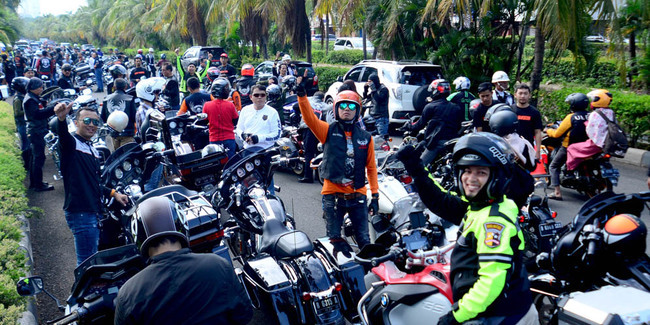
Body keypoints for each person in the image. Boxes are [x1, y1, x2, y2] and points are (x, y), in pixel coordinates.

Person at [396, 132, 537, 325]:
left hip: (499, 317)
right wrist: (416, 167)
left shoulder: (493, 222)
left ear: (496, 177)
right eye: (467, 170)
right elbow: (441, 200)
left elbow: (491, 281)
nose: (471, 178)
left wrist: (456, 317)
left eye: (481, 172)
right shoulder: (482, 206)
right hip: (497, 312)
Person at [114, 196, 252, 325]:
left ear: (137, 236)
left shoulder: (128, 293)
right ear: (181, 224)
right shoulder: (218, 265)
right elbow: (244, 315)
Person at [296, 84, 379, 248]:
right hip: (333, 196)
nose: (346, 109)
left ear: (357, 111)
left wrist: (375, 195)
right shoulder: (327, 131)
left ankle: (366, 271)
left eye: (351, 106)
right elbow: (309, 119)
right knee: (333, 240)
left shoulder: (366, 137)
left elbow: (371, 168)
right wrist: (302, 97)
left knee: (364, 240)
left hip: (358, 197)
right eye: (342, 106)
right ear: (336, 109)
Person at [52, 101, 129, 265]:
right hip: (82, 212)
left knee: (92, 257)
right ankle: (85, 290)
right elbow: (64, 137)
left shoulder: (91, 148)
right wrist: (61, 118)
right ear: (76, 123)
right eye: (87, 121)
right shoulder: (71, 145)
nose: (92, 125)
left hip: (92, 211)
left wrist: (115, 194)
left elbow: (93, 183)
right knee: (87, 262)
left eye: (95, 122)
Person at [400, 79, 463, 166]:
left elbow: (419, 125)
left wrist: (409, 126)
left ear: (435, 91)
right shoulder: (456, 107)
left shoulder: (430, 107)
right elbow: (459, 125)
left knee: (418, 168)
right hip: (452, 142)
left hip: (436, 143)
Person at [546, 93, 590, 200]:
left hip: (569, 147)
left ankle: (557, 193)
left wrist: (548, 131)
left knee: (553, 166)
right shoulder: (591, 115)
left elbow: (557, 134)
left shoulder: (571, 117)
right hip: (587, 146)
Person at [488, 110, 536, 208]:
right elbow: (532, 166)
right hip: (523, 185)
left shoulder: (497, 143)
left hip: (506, 187)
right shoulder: (523, 141)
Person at [567, 89, 615, 171]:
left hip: (596, 144)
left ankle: (570, 169)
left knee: (571, 148)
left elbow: (590, 131)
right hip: (608, 143)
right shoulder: (611, 112)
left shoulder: (594, 114)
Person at [23, 78, 55, 192]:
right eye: (40, 87)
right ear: (33, 88)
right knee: (39, 158)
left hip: (37, 130)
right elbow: (37, 114)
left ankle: (36, 182)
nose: (42, 89)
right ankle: (38, 185)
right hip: (36, 131)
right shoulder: (30, 100)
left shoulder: (32, 97)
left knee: (36, 157)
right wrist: (53, 109)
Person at [135, 77, 167, 192]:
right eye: (156, 92)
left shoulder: (149, 109)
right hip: (152, 150)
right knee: (152, 182)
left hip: (156, 148)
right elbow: (149, 133)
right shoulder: (144, 111)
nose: (158, 95)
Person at [236, 84, 281, 150]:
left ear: (266, 97)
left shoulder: (273, 112)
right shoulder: (245, 110)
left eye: (262, 95)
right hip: (247, 150)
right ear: (251, 97)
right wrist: (243, 136)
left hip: (266, 150)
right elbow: (239, 129)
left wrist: (259, 138)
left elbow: (277, 135)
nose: (259, 97)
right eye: (256, 95)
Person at [296, 91, 327, 183]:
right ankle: (319, 175)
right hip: (321, 129)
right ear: (322, 98)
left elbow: (295, 107)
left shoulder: (308, 102)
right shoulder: (326, 106)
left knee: (308, 153)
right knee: (319, 151)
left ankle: (308, 176)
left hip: (308, 128)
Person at [203, 78, 239, 158]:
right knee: (231, 161)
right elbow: (236, 120)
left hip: (214, 138)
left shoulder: (207, 105)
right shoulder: (230, 105)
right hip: (229, 137)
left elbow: (204, 121)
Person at [102, 78, 137, 150]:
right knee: (127, 156)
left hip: (113, 134)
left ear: (114, 87)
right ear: (125, 87)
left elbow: (103, 117)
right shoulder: (129, 98)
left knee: (117, 156)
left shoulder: (106, 98)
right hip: (128, 133)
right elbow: (134, 117)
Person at [511, 84, 542, 160]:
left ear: (529, 95)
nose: (523, 96)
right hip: (512, 147)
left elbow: (537, 132)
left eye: (525, 93)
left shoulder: (535, 112)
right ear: (515, 95)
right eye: (520, 93)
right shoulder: (509, 110)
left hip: (528, 147)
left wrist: (538, 151)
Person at [12, 77, 31, 169]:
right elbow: (17, 113)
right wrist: (28, 110)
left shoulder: (21, 96)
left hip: (23, 124)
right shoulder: (18, 99)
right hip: (21, 124)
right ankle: (27, 164)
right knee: (25, 144)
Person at [363, 73, 389, 138]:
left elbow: (379, 100)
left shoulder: (383, 89)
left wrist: (373, 89)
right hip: (372, 116)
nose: (369, 84)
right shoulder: (374, 90)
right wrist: (365, 89)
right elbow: (366, 98)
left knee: (381, 138)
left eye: (370, 82)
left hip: (381, 117)